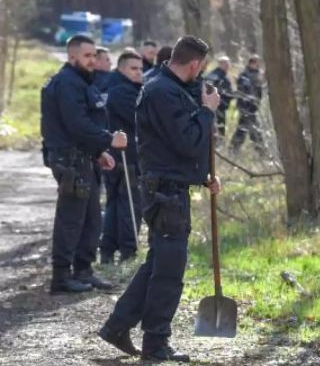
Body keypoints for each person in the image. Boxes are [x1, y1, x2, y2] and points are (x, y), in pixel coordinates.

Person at [98, 35, 221, 362]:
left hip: (172, 187)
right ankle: (155, 343)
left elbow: (184, 144)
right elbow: (188, 141)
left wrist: (205, 175)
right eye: (201, 68)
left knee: (158, 263)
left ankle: (117, 325)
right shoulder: (161, 92)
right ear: (194, 64)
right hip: (165, 192)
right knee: (169, 269)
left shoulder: (172, 88)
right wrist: (208, 113)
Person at [40, 35, 127, 293]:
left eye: (94, 56)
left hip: (83, 158)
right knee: (71, 218)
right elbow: (77, 125)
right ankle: (61, 277)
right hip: (70, 161)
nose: (93, 61)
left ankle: (83, 270)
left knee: (90, 218)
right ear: (72, 56)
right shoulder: (67, 83)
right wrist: (109, 139)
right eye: (87, 56)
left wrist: (99, 151)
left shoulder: (80, 81)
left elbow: (85, 123)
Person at [99, 52, 144, 264]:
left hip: (111, 154)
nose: (139, 73)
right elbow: (140, 120)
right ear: (122, 69)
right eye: (134, 69)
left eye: (141, 69)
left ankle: (107, 250)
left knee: (114, 204)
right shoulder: (124, 91)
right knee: (129, 205)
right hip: (126, 157)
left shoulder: (107, 87)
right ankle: (127, 251)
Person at [229, 54, 265, 155]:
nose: (258, 65)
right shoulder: (245, 75)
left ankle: (233, 149)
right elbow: (244, 92)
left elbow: (258, 91)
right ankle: (261, 151)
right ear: (251, 63)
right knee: (252, 130)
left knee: (243, 129)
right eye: (257, 63)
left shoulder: (256, 75)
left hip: (252, 107)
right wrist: (247, 104)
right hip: (246, 107)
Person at [205, 55, 233, 138]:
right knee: (217, 129)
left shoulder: (223, 76)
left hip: (221, 107)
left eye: (229, 63)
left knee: (220, 128)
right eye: (226, 64)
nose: (228, 65)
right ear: (221, 64)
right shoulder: (215, 75)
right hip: (216, 107)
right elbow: (210, 90)